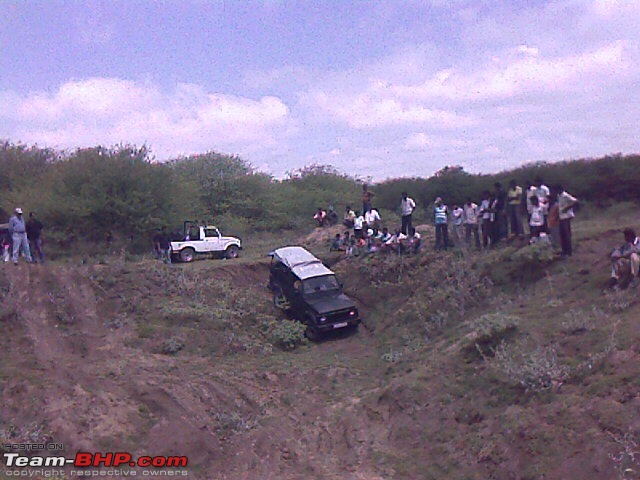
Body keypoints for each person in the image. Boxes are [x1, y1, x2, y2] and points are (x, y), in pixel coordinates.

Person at [556, 185, 578, 257]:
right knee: (562, 235)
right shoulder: (559, 196)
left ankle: (568, 252)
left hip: (566, 216)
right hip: (561, 217)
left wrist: (567, 208)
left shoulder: (565, 195)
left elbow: (575, 201)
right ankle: (564, 251)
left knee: (566, 234)